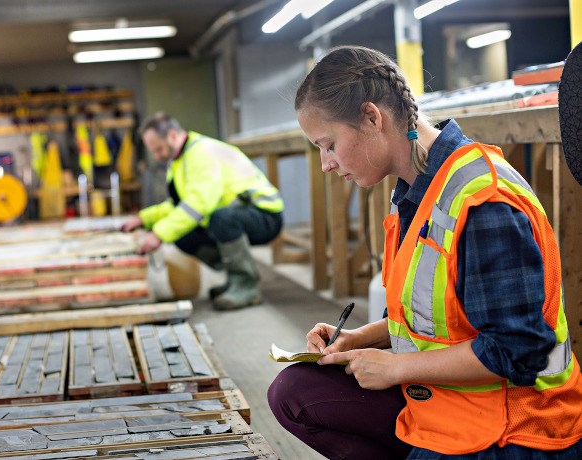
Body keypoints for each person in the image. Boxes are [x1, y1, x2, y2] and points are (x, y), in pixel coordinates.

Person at [267, 45, 582, 459]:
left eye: (328, 145)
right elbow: (429, 318)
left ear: (372, 118)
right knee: (294, 391)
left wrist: (397, 368)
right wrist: (359, 338)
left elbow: (518, 352)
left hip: (514, 426)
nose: (326, 164)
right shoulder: (414, 195)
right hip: (447, 400)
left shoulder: (481, 203)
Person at [121, 112, 284, 310]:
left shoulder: (202, 153)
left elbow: (198, 205)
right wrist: (144, 219)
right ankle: (235, 278)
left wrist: (158, 234)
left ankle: (246, 285)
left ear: (172, 135)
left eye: (159, 149)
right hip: (238, 214)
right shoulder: (179, 161)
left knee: (220, 219)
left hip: (264, 215)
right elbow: (178, 205)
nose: (157, 156)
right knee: (183, 235)